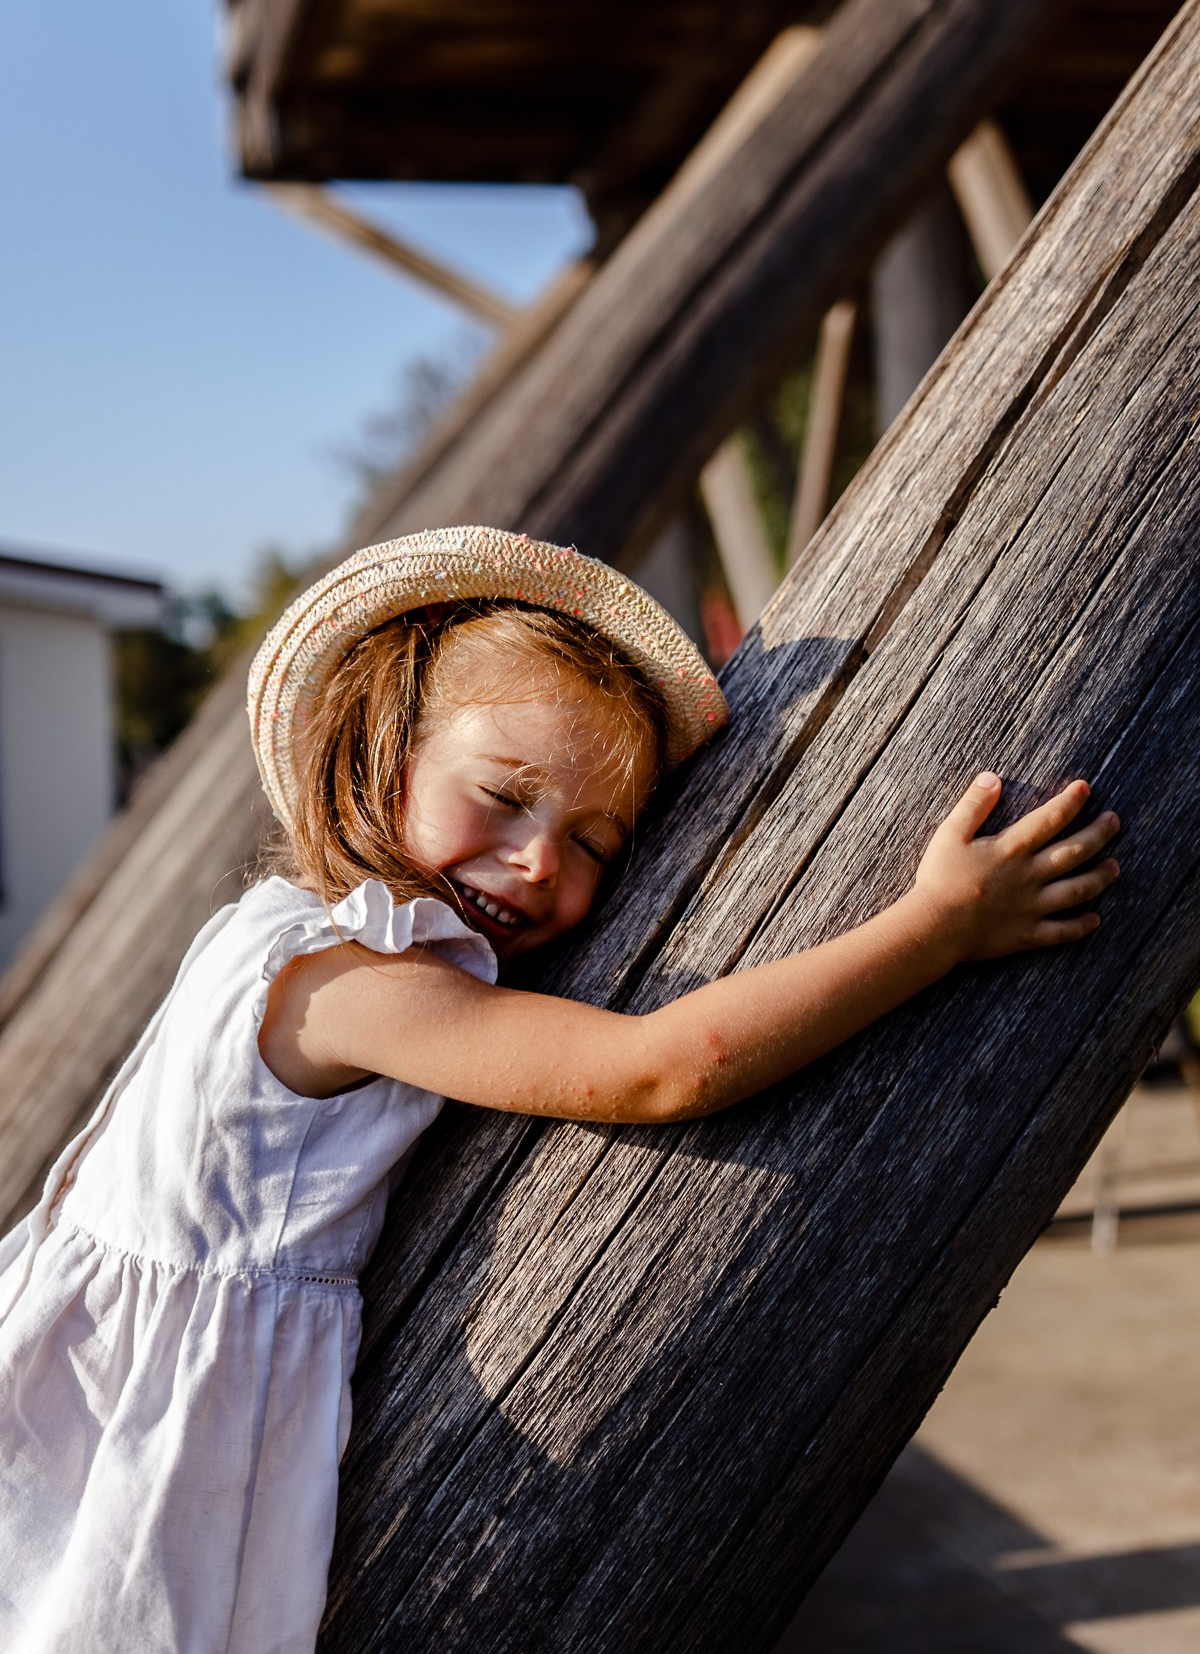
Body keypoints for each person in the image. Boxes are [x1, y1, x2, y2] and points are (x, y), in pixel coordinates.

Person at [0, 525, 1119, 1652]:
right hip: (150, 1426)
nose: (541, 861)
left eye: (592, 842)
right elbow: (659, 1069)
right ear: (381, 752)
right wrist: (933, 929)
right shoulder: (350, 982)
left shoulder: (274, 938)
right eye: (503, 795)